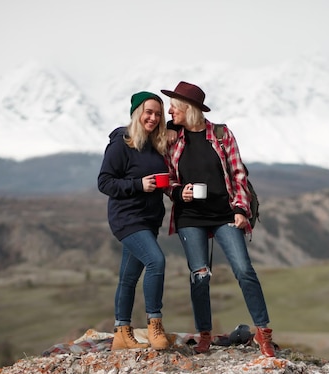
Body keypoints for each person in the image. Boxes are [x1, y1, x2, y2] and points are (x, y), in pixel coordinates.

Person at [161, 81, 276, 357]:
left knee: (244, 270)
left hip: (224, 213)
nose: (170, 111)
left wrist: (240, 209)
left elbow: (238, 175)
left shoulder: (222, 134)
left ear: (188, 109)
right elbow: (168, 179)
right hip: (190, 216)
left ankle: (263, 334)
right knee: (199, 276)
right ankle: (204, 334)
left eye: (174, 107)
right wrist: (179, 192)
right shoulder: (172, 136)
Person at [98, 91, 170, 351]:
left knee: (128, 278)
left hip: (149, 219)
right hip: (127, 217)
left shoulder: (156, 144)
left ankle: (121, 332)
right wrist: (139, 185)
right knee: (156, 261)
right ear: (137, 113)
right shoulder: (121, 142)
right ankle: (154, 324)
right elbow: (104, 182)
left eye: (158, 114)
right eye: (148, 112)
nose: (153, 118)